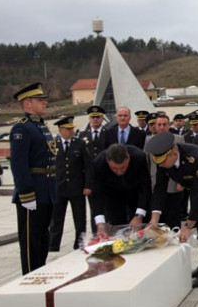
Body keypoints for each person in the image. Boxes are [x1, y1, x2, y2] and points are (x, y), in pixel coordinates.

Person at [146, 132, 198, 288]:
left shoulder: (195, 159)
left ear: (174, 154)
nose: (161, 165)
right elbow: (159, 188)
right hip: (195, 184)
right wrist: (154, 218)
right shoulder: (162, 159)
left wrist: (188, 225)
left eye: (163, 161)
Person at [9, 82, 57, 275]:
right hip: (33, 193)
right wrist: (26, 194)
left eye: (44, 99)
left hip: (46, 191)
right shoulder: (22, 129)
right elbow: (19, 165)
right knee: (31, 241)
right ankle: (29, 276)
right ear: (27, 104)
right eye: (40, 100)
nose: (44, 103)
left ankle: (39, 272)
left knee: (43, 238)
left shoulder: (40, 126)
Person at [48, 116, 92, 251]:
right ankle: (53, 244)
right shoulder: (53, 144)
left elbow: (88, 166)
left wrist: (88, 185)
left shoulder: (79, 144)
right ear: (61, 130)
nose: (71, 131)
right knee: (56, 219)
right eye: (68, 129)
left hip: (76, 187)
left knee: (80, 218)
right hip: (59, 188)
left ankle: (79, 243)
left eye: (72, 129)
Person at [91, 144, 151, 236]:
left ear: (128, 159)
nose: (119, 172)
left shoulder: (139, 157)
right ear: (108, 161)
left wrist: (139, 215)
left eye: (123, 167)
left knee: (141, 230)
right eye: (114, 168)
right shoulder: (98, 163)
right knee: (114, 229)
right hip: (112, 196)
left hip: (135, 194)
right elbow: (97, 194)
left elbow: (145, 187)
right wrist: (100, 223)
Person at [143, 115, 185, 229]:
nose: (161, 127)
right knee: (157, 214)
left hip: (173, 184)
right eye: (159, 124)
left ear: (169, 125)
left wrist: (181, 181)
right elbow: (147, 163)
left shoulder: (178, 139)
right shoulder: (149, 141)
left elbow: (182, 162)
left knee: (173, 217)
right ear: (155, 126)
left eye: (164, 124)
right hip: (155, 183)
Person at [78, 105, 107, 234]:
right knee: (93, 208)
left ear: (102, 118)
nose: (95, 120)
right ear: (89, 118)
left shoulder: (108, 133)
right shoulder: (82, 135)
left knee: (107, 206)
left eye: (98, 117)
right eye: (93, 117)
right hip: (90, 178)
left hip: (105, 176)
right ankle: (96, 233)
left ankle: (108, 231)